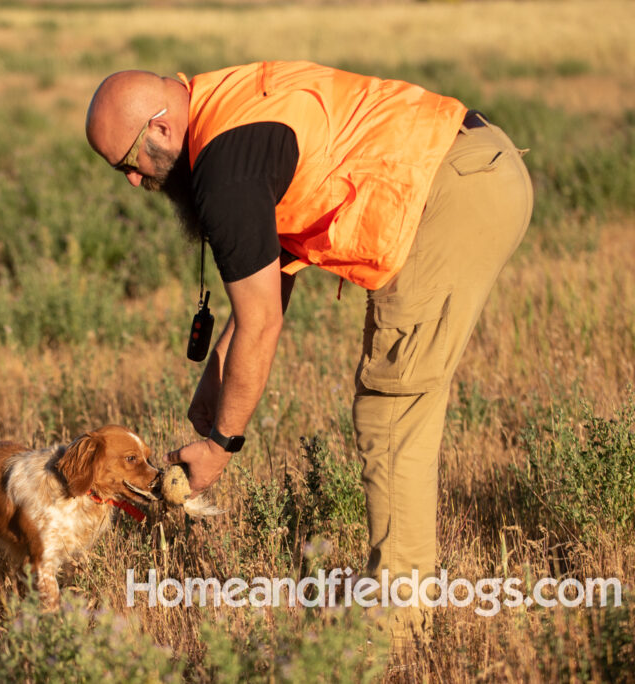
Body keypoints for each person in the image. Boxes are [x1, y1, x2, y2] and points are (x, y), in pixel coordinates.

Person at [85, 61, 533, 633]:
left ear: (162, 128)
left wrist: (221, 446)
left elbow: (263, 319)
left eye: (128, 162)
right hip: (471, 165)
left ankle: (396, 624)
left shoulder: (224, 167)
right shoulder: (229, 104)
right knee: (392, 401)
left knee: (392, 405)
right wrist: (217, 377)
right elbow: (273, 278)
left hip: (452, 189)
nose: (132, 180)